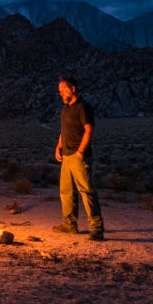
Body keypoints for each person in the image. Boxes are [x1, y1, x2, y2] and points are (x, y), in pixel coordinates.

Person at [53, 75, 105, 241]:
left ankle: (96, 228)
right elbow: (64, 130)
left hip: (78, 156)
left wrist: (81, 152)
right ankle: (70, 225)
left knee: (86, 191)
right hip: (67, 156)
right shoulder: (66, 109)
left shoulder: (83, 107)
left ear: (73, 88)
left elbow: (89, 130)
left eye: (63, 89)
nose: (60, 93)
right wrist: (59, 146)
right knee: (66, 192)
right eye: (59, 90)